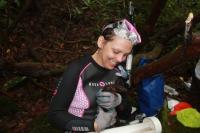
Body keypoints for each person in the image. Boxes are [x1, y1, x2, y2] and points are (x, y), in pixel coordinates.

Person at [48, 19, 141, 132]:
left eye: (125, 55)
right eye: (116, 52)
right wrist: (94, 126)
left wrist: (119, 100)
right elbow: (54, 115)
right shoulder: (77, 69)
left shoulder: (118, 73)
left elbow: (126, 113)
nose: (120, 59)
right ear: (101, 42)